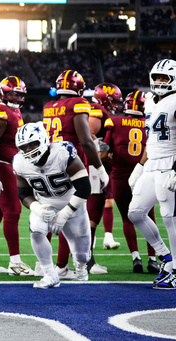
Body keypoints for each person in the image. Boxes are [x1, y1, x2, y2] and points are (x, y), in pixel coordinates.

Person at [42, 70, 109, 280]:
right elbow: (86, 141)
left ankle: (42, 264)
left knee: (48, 214)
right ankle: (61, 266)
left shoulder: (48, 106)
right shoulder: (78, 103)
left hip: (50, 165)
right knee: (71, 217)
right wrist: (99, 168)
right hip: (71, 165)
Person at [13, 122, 92, 288]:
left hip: (72, 203)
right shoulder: (20, 162)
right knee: (36, 231)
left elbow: (84, 188)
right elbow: (23, 194)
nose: (28, 150)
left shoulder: (62, 153)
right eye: (24, 147)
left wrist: (64, 214)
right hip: (45, 203)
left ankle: (80, 264)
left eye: (32, 144)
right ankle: (50, 275)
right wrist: (36, 208)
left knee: (82, 254)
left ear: (43, 140)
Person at [128, 59, 176, 289]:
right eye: (156, 77)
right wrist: (140, 166)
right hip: (152, 164)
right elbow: (151, 140)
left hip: (170, 163)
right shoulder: (151, 102)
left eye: (164, 78)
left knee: (169, 217)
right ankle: (166, 257)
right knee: (135, 212)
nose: (159, 82)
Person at [0, 76, 34, 275]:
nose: (18, 98)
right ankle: (15, 262)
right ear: (3, 92)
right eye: (14, 93)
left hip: (2, 165)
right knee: (12, 212)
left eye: (20, 94)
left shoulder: (13, 111)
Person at [101, 90, 159, 274]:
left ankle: (136, 258)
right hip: (144, 174)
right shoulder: (149, 123)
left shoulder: (115, 122)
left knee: (127, 218)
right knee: (149, 216)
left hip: (120, 176)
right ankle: (153, 258)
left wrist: (110, 158)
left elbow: (104, 153)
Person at [88, 82, 123, 252]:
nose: (116, 105)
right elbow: (90, 134)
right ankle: (86, 253)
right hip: (95, 166)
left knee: (100, 205)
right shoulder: (95, 108)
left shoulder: (100, 110)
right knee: (93, 209)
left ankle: (89, 249)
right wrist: (105, 151)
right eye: (113, 101)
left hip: (99, 165)